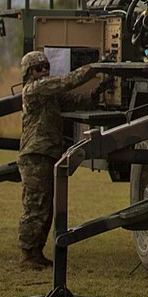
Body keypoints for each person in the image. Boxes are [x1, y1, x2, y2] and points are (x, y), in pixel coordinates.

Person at [16, 49, 104, 269]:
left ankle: (36, 252)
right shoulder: (35, 89)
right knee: (35, 206)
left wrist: (97, 93)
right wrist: (95, 68)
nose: (44, 71)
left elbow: (74, 100)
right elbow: (66, 82)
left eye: (46, 67)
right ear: (29, 73)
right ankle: (27, 254)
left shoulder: (48, 94)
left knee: (45, 208)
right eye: (39, 68)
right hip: (35, 156)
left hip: (47, 154)